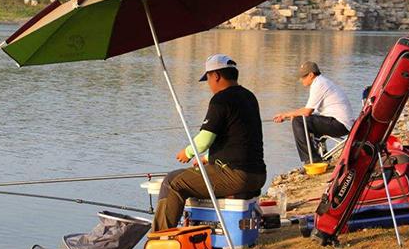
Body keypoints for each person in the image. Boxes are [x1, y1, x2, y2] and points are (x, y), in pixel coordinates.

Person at [152, 54, 267, 232]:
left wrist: (188, 152)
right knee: (187, 177)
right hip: (258, 175)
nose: (209, 85)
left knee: (173, 182)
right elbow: (239, 138)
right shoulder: (248, 96)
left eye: (208, 79)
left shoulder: (221, 100)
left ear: (216, 76)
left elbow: (204, 140)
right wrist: (208, 158)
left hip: (237, 175)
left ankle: (159, 239)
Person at [273, 61, 355, 164]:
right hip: (340, 123)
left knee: (299, 121)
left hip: (339, 124)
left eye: (303, 77)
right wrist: (287, 117)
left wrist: (285, 114)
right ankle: (321, 154)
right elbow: (309, 111)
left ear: (311, 75)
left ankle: (312, 160)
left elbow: (307, 112)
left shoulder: (319, 84)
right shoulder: (321, 82)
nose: (300, 80)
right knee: (299, 120)